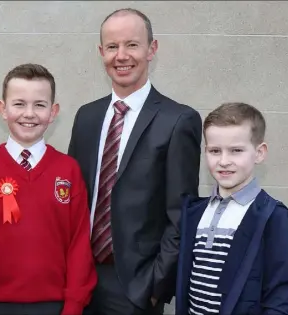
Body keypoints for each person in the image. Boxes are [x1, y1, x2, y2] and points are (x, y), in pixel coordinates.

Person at [68, 8, 203, 315]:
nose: (122, 55)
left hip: (135, 288)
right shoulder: (86, 117)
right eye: (112, 46)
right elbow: (72, 197)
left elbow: (181, 214)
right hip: (80, 281)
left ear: (151, 49)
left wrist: (155, 288)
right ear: (101, 52)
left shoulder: (178, 120)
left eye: (132, 44)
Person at [0, 63, 97, 315]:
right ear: (2, 109)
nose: (29, 113)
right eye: (19, 104)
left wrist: (73, 306)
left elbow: (79, 244)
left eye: (39, 104)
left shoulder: (69, 170)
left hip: (55, 306)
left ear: (53, 111)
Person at [175, 102, 288, 315]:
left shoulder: (272, 216)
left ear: (259, 153)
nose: (224, 161)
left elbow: (279, 295)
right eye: (214, 151)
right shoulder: (195, 211)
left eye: (236, 151)